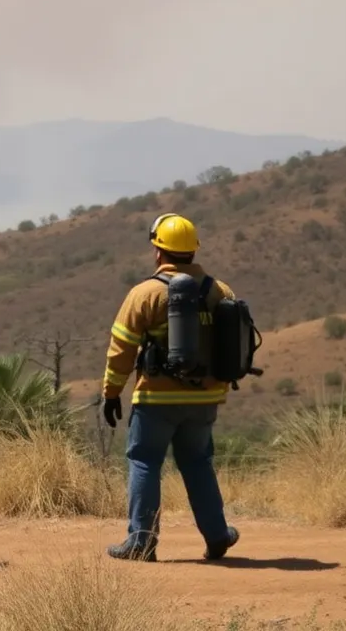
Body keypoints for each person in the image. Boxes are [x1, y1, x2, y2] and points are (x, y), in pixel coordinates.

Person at [101, 212, 242, 562]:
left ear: (158, 251)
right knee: (198, 463)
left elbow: (121, 349)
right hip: (206, 399)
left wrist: (111, 393)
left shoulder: (145, 294)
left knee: (144, 460)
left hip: (156, 400)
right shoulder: (220, 290)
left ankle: (141, 541)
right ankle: (217, 535)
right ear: (193, 251)